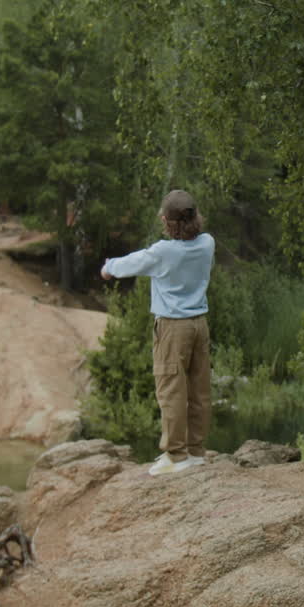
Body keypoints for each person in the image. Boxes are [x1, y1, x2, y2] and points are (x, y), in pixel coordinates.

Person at [101, 189, 216, 477]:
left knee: (171, 389)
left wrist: (109, 268)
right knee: (199, 388)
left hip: (172, 328)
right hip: (200, 324)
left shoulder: (164, 252)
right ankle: (196, 451)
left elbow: (132, 263)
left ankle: (176, 456)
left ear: (167, 221)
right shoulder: (207, 244)